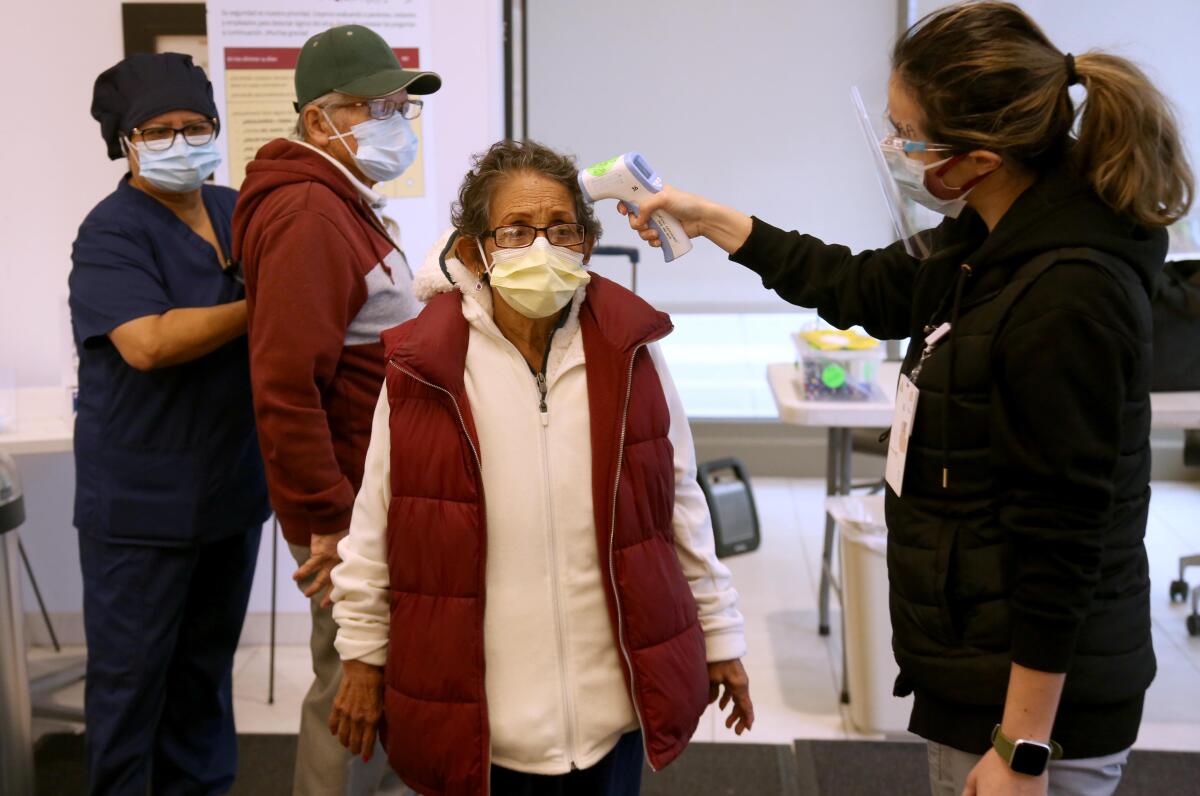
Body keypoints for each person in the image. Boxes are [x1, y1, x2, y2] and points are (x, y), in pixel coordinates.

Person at [624, 3, 1193, 795]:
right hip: (976, 667)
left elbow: (1064, 541)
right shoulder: (990, 237)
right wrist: (717, 220)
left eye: (907, 135)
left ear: (979, 158)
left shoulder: (1068, 296)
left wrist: (1023, 750)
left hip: (1035, 715)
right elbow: (865, 285)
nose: (893, 149)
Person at [325, 140, 755, 795]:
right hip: (481, 716)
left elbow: (678, 504)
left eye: (562, 229)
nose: (542, 248)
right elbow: (377, 520)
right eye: (517, 231)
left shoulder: (630, 349)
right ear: (473, 251)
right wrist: (360, 655)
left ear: (587, 244)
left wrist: (720, 635)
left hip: (611, 710)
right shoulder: (425, 367)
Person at [231, 23, 441, 796]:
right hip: (349, 510)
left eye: (400, 107)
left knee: (376, 686)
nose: (397, 122)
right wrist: (327, 522)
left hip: (367, 498)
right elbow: (286, 387)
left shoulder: (339, 202)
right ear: (321, 121)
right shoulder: (311, 218)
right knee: (353, 692)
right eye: (377, 106)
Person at [69, 52, 271, 794]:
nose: (181, 142)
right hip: (141, 508)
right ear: (126, 142)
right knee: (130, 691)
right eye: (159, 130)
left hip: (228, 492)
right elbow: (146, 343)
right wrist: (265, 304)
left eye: (196, 127)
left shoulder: (233, 209)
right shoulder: (112, 233)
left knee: (204, 681)